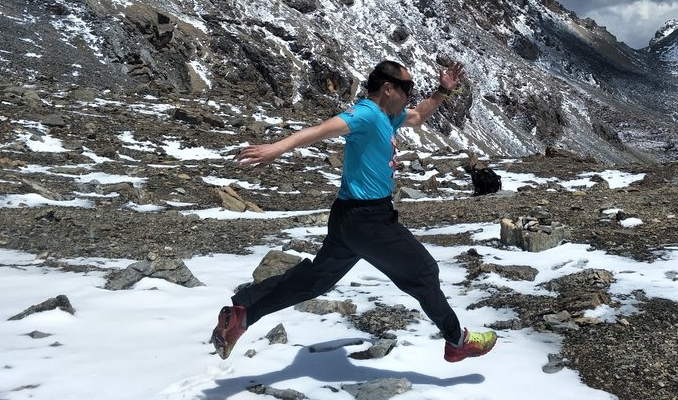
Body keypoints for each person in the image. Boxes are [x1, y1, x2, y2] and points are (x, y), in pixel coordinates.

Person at [210, 60, 497, 363]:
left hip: (348, 217)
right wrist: (279, 147)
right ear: (388, 88)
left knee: (316, 280)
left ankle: (242, 313)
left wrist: (442, 91)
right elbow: (325, 129)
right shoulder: (368, 114)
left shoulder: (388, 115)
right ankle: (457, 342)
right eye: (407, 88)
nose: (410, 95)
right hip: (369, 221)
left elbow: (418, 116)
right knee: (424, 271)